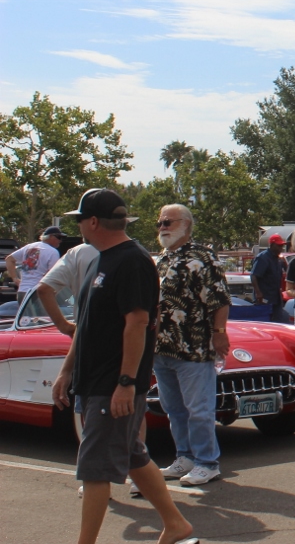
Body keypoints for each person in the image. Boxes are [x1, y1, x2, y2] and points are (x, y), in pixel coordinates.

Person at [50, 189, 196, 544]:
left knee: (95, 469)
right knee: (133, 455)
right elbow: (87, 325)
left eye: (80, 220)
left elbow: (138, 323)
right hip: (96, 380)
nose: (79, 226)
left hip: (112, 383)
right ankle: (176, 524)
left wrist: (127, 382)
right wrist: (67, 370)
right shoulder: (100, 260)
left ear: (93, 222)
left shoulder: (132, 261)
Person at [153, 204, 231, 488]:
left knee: (199, 409)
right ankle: (184, 457)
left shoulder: (202, 256)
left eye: (168, 222)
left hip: (194, 348)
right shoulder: (162, 259)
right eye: (160, 223)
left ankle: (207, 463)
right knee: (174, 409)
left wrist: (219, 333)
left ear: (186, 224)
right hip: (162, 348)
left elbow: (220, 298)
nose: (162, 227)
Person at [36, 240, 101, 336]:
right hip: (119, 330)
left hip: (86, 331)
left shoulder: (79, 252)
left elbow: (44, 289)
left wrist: (64, 326)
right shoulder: (125, 252)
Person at [6, 225, 63, 295]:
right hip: (38, 293)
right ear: (51, 236)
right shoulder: (53, 252)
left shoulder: (28, 247)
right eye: (59, 237)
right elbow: (53, 275)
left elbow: (9, 259)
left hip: (22, 291)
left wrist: (15, 279)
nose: (60, 240)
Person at [250, 234, 289, 322]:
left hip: (276, 297)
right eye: (278, 246)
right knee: (264, 321)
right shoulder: (263, 257)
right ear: (272, 245)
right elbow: (254, 276)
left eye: (282, 246)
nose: (281, 248)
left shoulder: (277, 258)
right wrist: (258, 293)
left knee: (278, 321)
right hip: (264, 297)